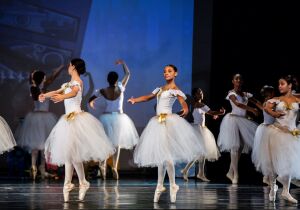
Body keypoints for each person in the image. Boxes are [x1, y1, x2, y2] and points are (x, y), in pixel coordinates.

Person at [39, 58, 115, 202]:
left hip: (77, 119)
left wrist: (62, 96)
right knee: (70, 154)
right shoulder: (66, 83)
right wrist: (45, 95)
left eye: (69, 65)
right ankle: (79, 182)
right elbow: (56, 91)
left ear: (73, 67)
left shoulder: (78, 82)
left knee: (72, 154)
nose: (68, 67)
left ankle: (74, 183)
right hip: (67, 121)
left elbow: (73, 93)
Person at [128, 64, 205, 203]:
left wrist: (185, 111)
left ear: (175, 73)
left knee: (167, 155)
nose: (166, 73)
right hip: (157, 122)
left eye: (169, 71)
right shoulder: (160, 88)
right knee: (160, 155)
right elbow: (147, 97)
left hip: (168, 122)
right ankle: (160, 185)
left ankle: (173, 184)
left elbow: (185, 106)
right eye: (164, 71)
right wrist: (135, 100)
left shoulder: (175, 89)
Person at [89, 59, 139, 180]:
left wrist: (92, 103)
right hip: (119, 117)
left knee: (106, 144)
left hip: (106, 118)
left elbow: (91, 99)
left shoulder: (103, 90)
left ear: (108, 80)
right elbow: (128, 74)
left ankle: (103, 164)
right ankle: (115, 167)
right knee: (117, 144)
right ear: (117, 80)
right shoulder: (120, 88)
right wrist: (123, 64)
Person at [217, 74, 259, 184]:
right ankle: (235, 174)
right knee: (235, 147)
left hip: (243, 120)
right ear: (233, 81)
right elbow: (238, 104)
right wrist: (252, 109)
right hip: (233, 120)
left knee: (240, 147)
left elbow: (257, 102)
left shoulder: (246, 94)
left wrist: (266, 108)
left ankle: (230, 172)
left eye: (240, 78)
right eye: (236, 78)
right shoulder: (231, 93)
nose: (239, 80)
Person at [181, 88, 225, 182]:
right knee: (200, 153)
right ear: (194, 95)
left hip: (201, 129)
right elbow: (211, 112)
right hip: (199, 130)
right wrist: (221, 113)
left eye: (201, 92)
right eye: (198, 93)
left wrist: (213, 115)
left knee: (201, 153)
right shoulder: (200, 104)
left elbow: (203, 114)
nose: (201, 94)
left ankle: (195, 172)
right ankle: (191, 171)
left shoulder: (196, 105)